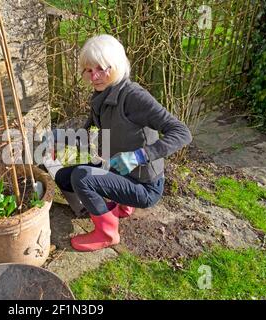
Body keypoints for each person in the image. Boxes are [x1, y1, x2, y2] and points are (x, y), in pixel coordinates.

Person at [54, 34, 192, 252]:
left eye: (101, 68)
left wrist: (139, 156)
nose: (94, 76)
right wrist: (60, 143)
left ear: (116, 65)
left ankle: (107, 233)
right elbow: (88, 128)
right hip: (120, 173)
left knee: (82, 177)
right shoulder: (101, 95)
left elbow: (182, 132)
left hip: (144, 186)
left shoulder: (134, 97)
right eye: (89, 70)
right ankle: (102, 209)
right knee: (64, 176)